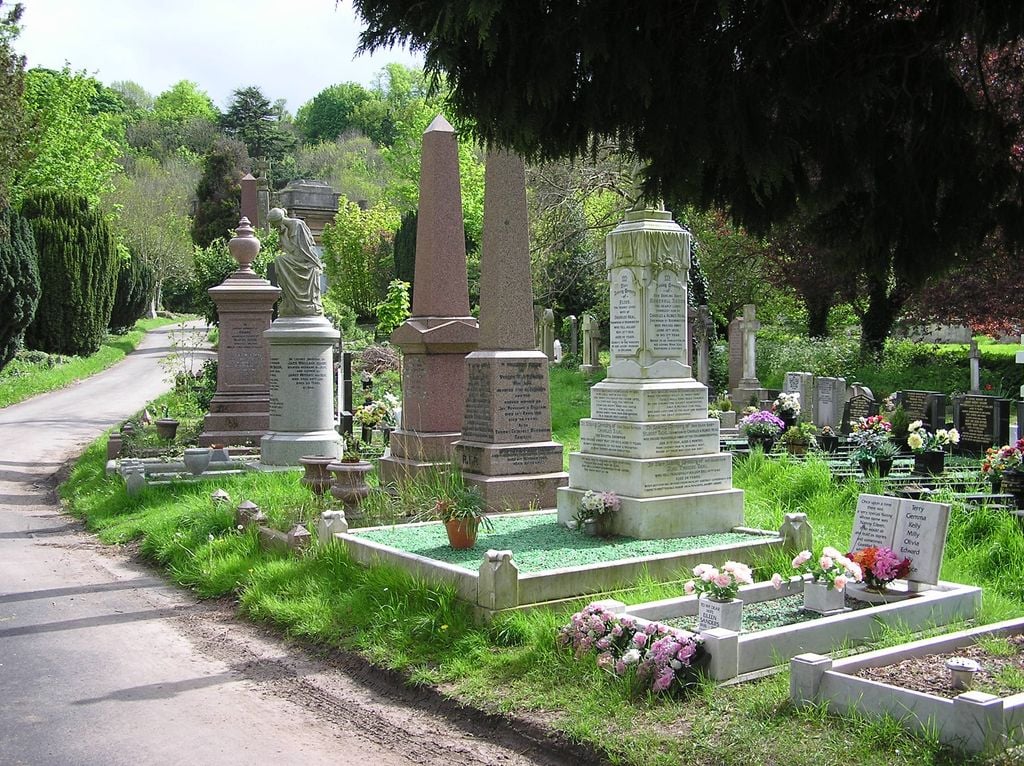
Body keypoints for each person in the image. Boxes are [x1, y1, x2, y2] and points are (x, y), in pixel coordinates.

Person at [267, 207, 324, 317]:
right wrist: (282, 235)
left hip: (304, 259)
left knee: (280, 260)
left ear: (277, 221)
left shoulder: (297, 225)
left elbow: (296, 251)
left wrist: (283, 237)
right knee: (280, 260)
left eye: (273, 224)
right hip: (297, 259)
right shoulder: (286, 229)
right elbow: (290, 251)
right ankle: (291, 301)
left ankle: (299, 303)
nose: (273, 227)